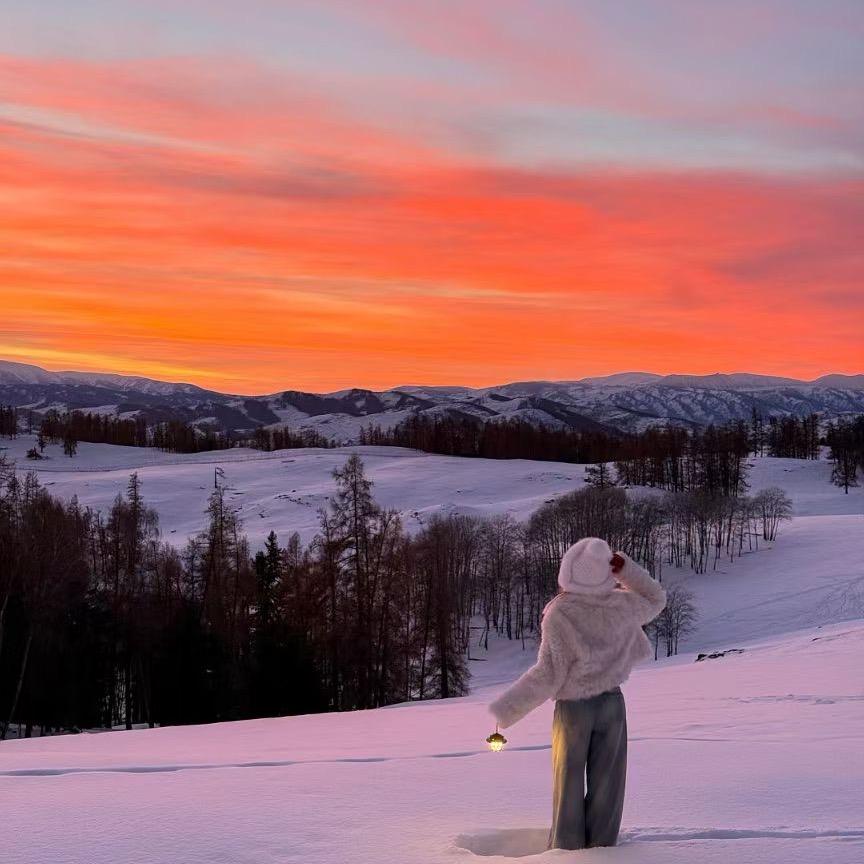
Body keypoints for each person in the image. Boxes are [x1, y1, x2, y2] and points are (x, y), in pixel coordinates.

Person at [488, 537, 666, 851]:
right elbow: (656, 598)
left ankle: (566, 849)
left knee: (567, 779)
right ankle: (602, 847)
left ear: (567, 572)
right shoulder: (623, 604)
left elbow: (548, 673)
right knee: (608, 780)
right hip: (612, 703)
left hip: (574, 710)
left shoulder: (560, 612)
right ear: (606, 573)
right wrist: (627, 570)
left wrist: (506, 711)